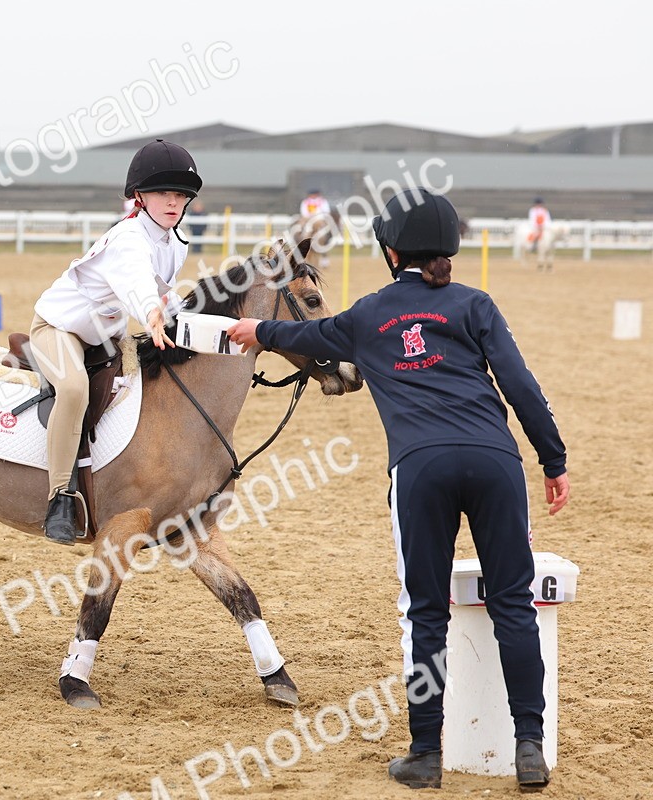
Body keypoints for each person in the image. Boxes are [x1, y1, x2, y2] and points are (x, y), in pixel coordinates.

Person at [227, 188, 568, 791]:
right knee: (515, 605)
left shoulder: (368, 315)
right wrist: (552, 460)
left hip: (420, 468)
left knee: (426, 611)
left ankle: (424, 753)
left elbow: (303, 337)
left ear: (390, 252)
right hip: (495, 462)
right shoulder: (475, 304)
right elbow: (520, 384)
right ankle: (529, 748)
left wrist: (254, 329)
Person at [30, 139, 199, 544]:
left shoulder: (173, 240)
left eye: (180, 195)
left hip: (105, 336)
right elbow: (139, 283)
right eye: (163, 193)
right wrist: (153, 313)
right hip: (59, 328)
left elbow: (165, 289)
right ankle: (59, 498)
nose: (173, 202)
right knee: (73, 390)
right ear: (139, 196)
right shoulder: (129, 238)